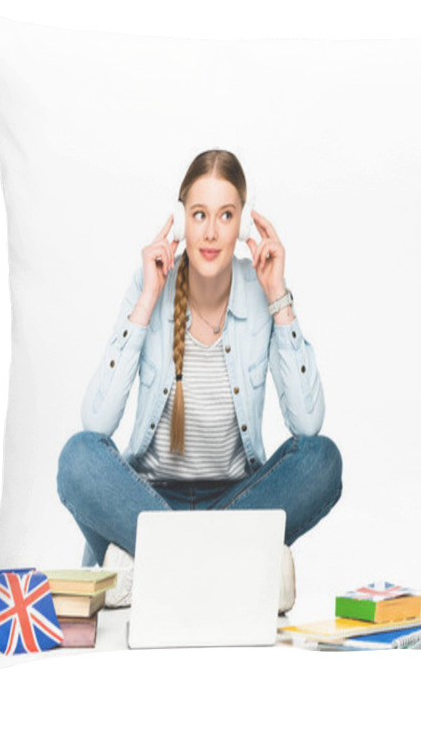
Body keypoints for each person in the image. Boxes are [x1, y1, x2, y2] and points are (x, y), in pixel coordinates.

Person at [56, 149, 343, 613]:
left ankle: (151, 569)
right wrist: (148, 299)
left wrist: (278, 297)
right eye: (199, 214)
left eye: (225, 215)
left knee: (323, 460)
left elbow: (307, 425)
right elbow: (96, 421)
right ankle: (235, 574)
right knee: (77, 458)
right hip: (145, 504)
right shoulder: (150, 284)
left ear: (242, 225)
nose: (211, 232)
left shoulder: (260, 289)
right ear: (182, 219)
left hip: (237, 502)